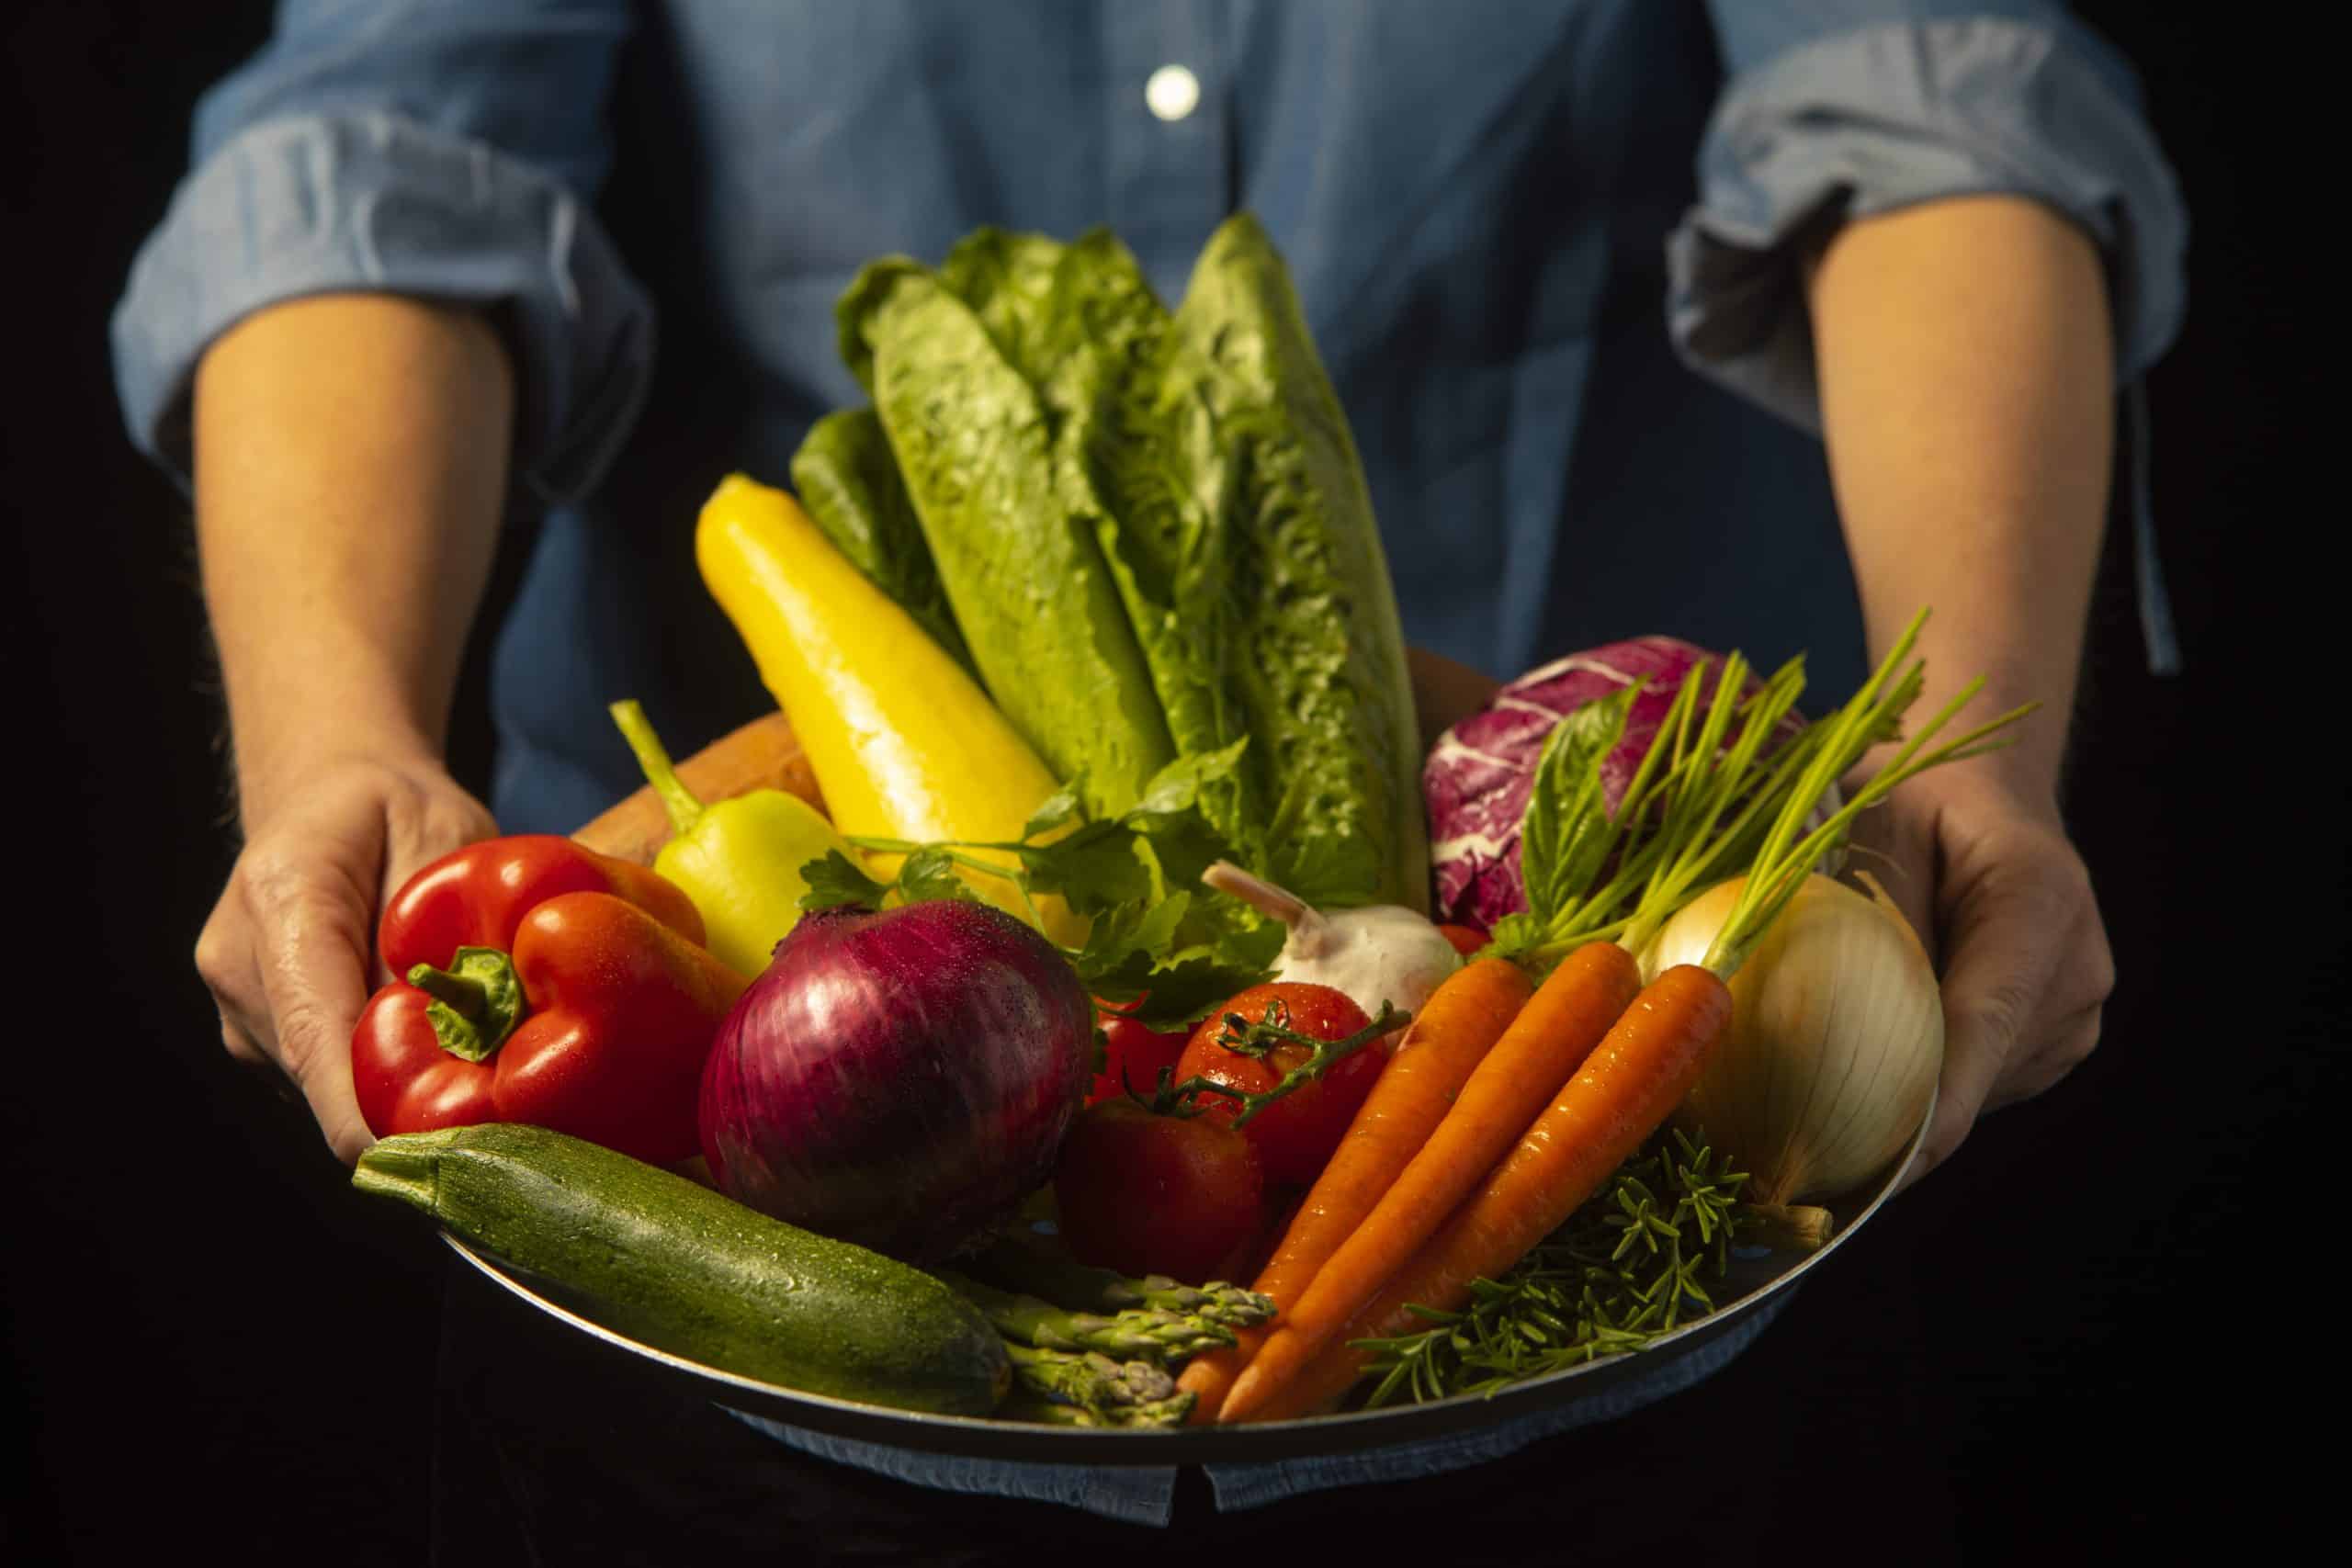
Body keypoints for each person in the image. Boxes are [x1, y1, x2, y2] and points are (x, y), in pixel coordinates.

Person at [114, 0, 2184, 1553]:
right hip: (740, 1264)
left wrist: (1968, 727)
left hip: (1635, 1102)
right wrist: (341, 738)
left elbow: (1939, 91)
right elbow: (380, 141)